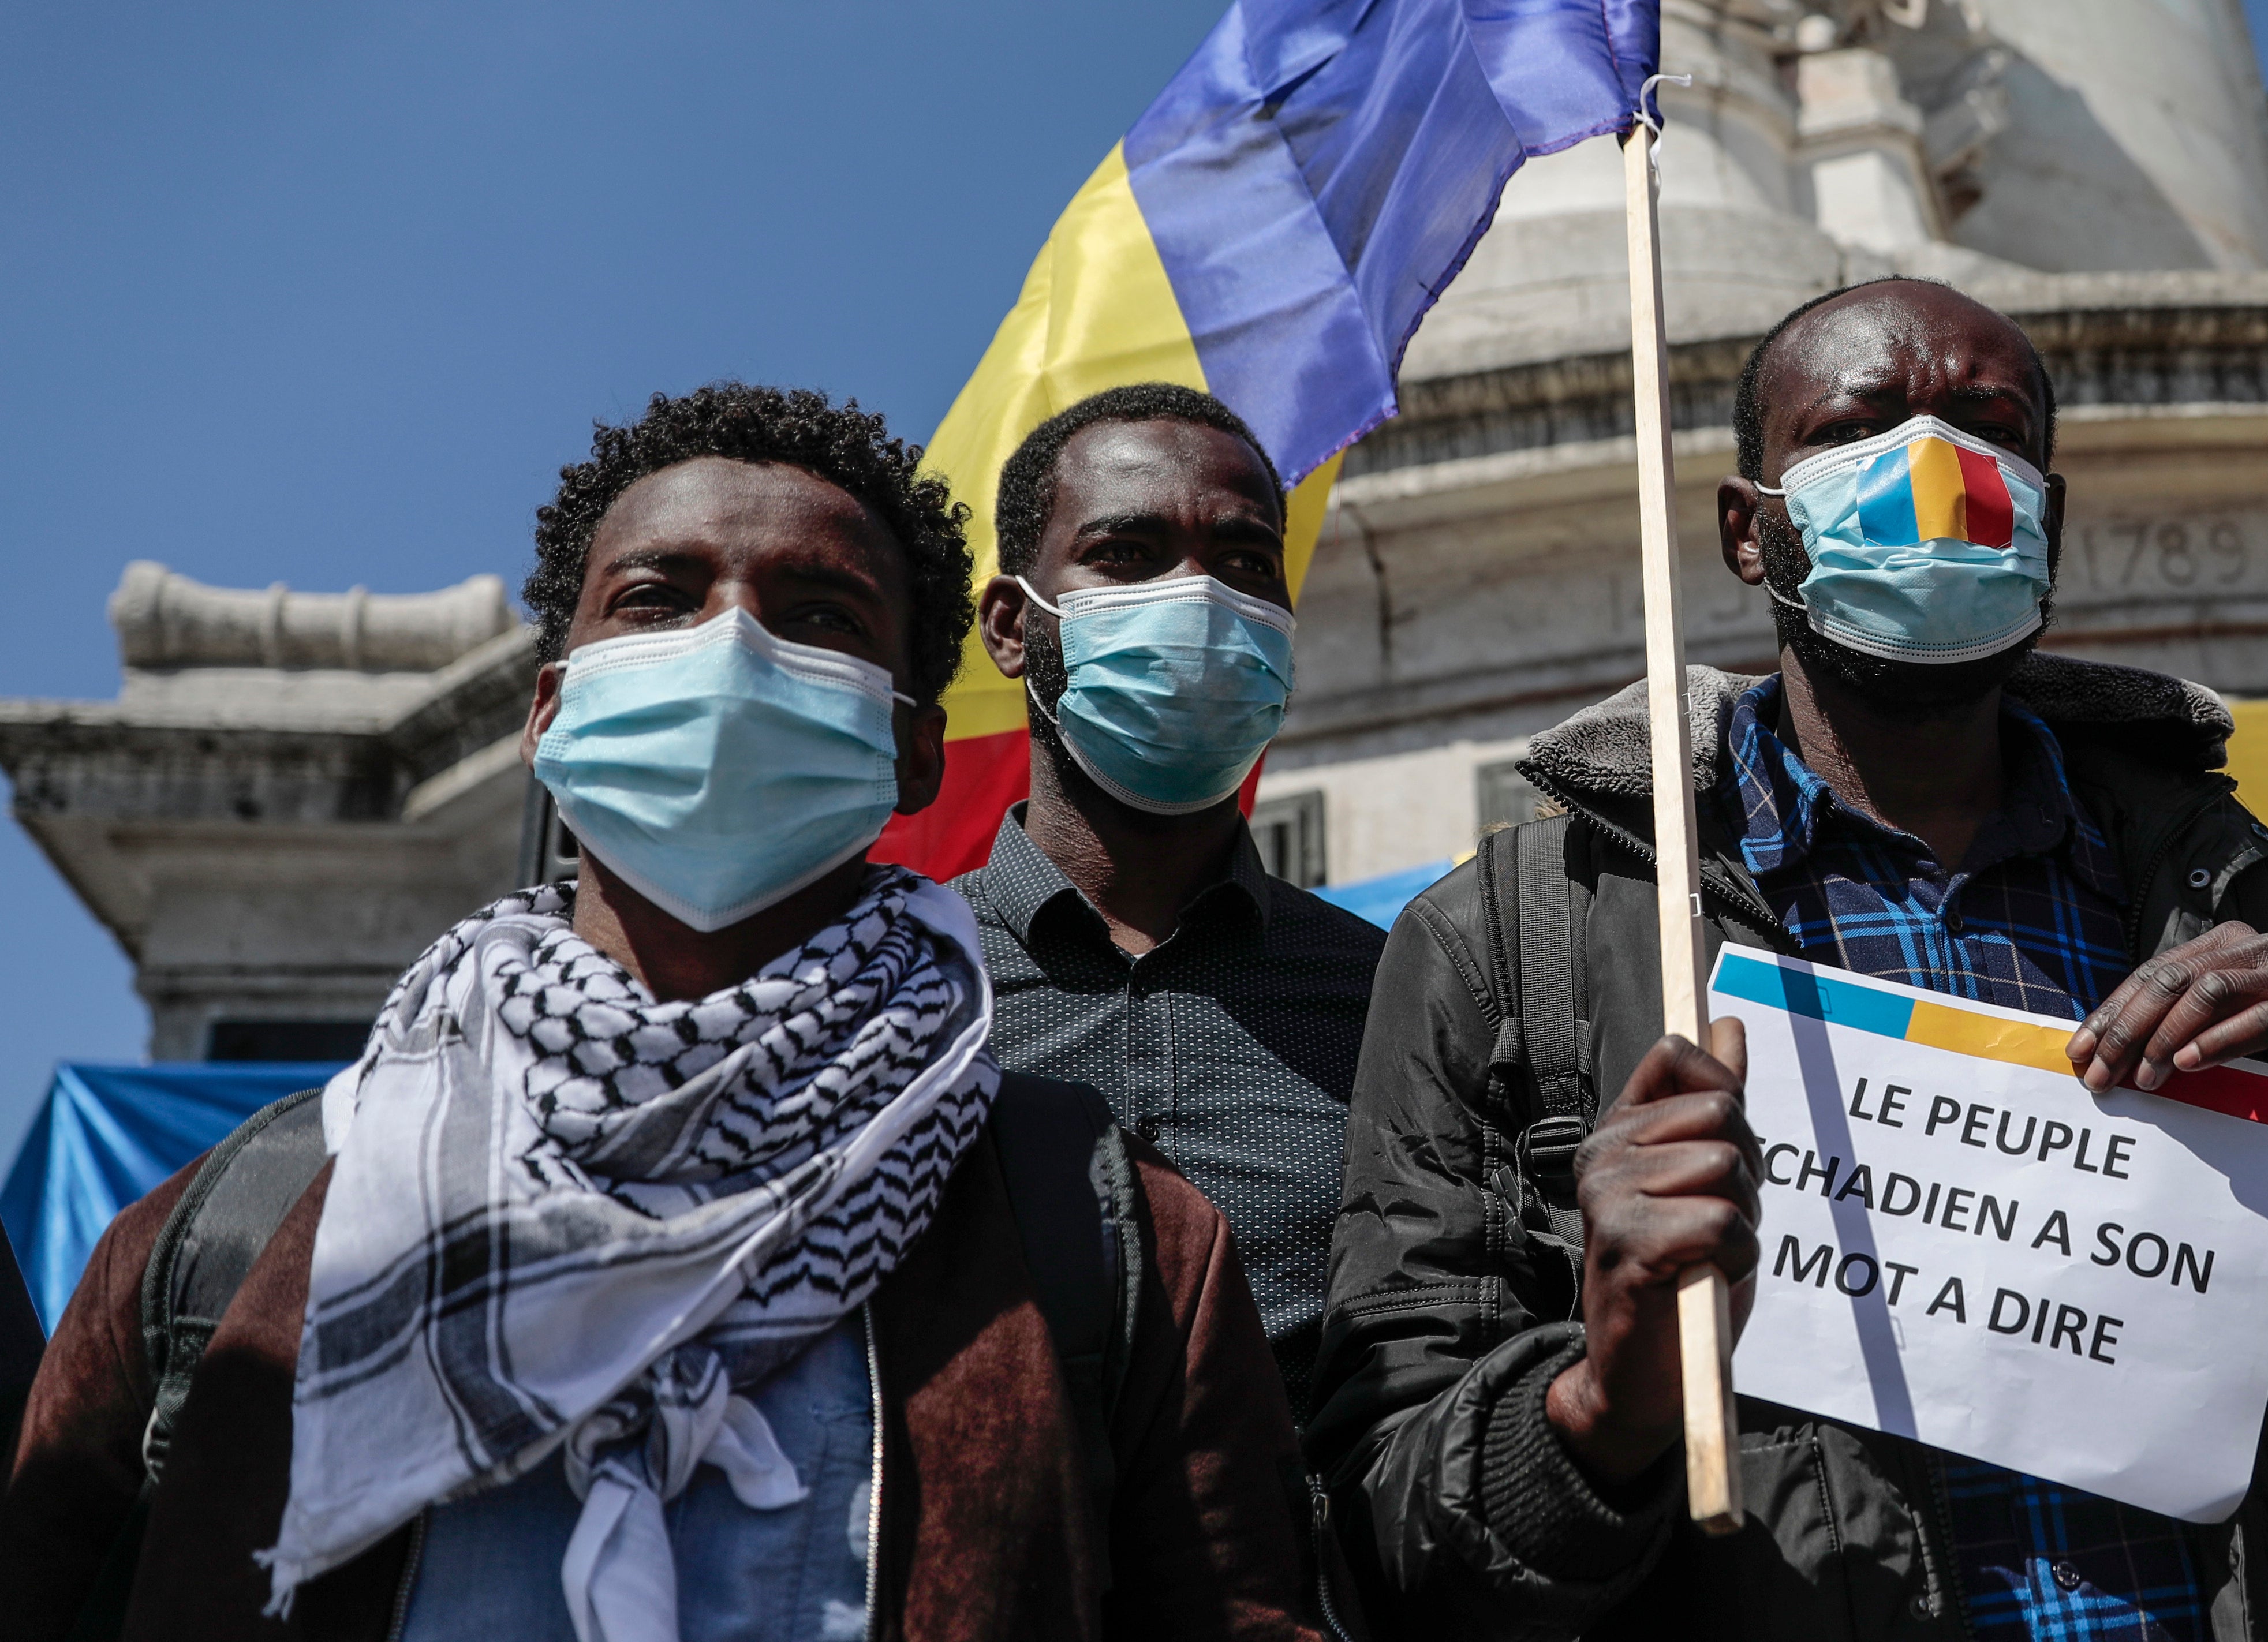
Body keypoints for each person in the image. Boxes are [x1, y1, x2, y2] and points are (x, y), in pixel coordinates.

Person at [3, 385, 1322, 1642]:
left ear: (914, 749)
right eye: (657, 599)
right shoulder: (229, 1230)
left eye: (819, 617)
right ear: (550, 708)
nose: (731, 644)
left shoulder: (1114, 1238)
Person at [1307, 280, 2268, 1641]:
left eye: (1988, 424)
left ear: (2049, 513)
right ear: (1752, 531)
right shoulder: (1511, 934)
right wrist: (1602, 1398)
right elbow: (1391, 1538)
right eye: (1861, 425)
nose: (1936, 469)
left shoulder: (2201, 877)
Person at [955, 384, 1386, 1423]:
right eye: (1127, 555)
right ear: (1013, 627)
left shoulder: (1397, 998)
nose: (1197, 599)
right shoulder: (894, 986)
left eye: (1243, 562)